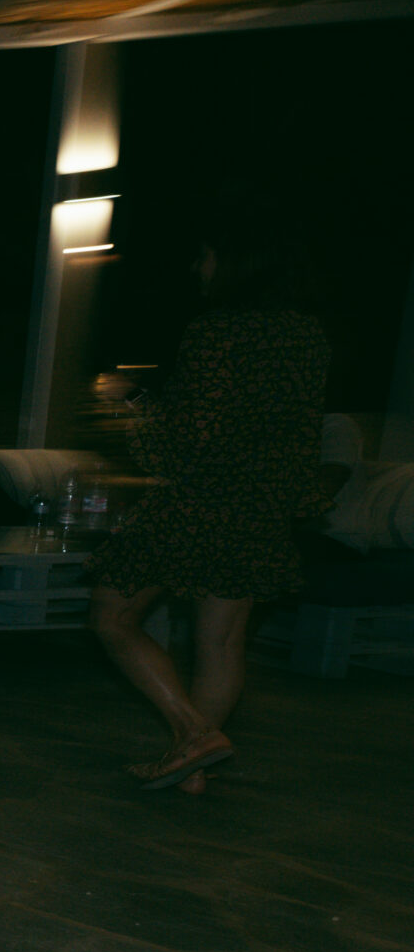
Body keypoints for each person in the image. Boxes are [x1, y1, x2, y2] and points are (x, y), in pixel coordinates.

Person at [86, 220, 328, 791]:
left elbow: (194, 435)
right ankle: (190, 770)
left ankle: (194, 734)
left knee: (111, 615)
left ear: (235, 261)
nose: (198, 267)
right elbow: (298, 429)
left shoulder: (217, 332)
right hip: (262, 503)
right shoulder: (308, 335)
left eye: (206, 256)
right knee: (220, 642)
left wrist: (132, 403)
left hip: (199, 502)